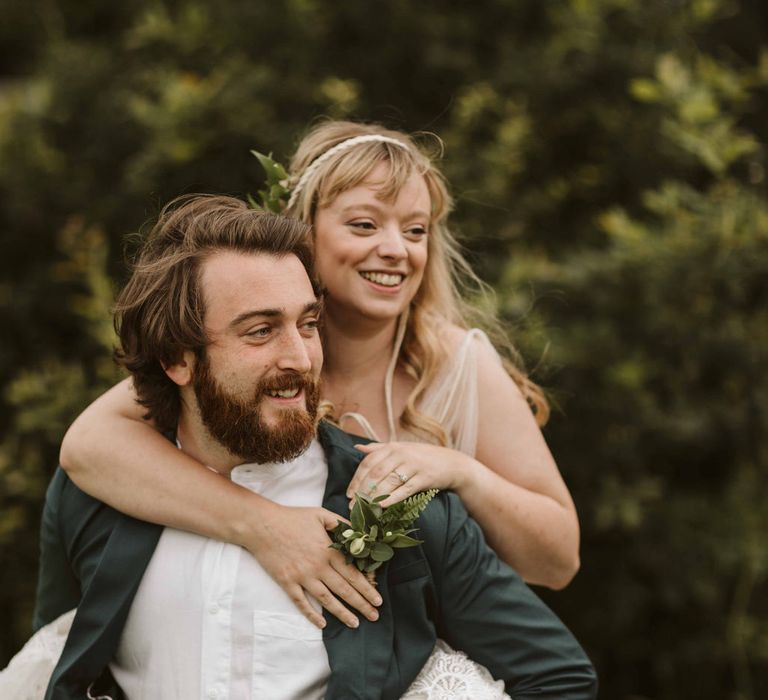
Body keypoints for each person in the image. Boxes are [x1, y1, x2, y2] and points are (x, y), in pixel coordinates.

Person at [32, 195, 597, 699]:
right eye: (260, 331)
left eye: (308, 325)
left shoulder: (403, 506)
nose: (300, 359)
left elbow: (559, 679)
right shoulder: (94, 496)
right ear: (178, 360)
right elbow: (53, 656)